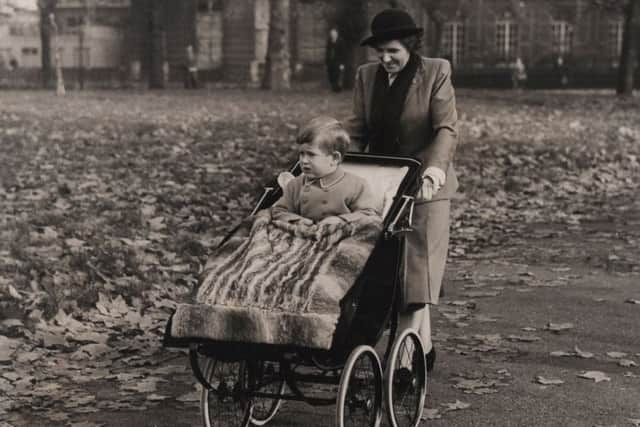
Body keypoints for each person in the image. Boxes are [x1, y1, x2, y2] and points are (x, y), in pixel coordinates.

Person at [346, 8, 459, 372]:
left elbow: (445, 128)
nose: (386, 59)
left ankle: (405, 365)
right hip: (383, 185)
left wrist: (435, 171)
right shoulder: (367, 77)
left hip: (426, 186)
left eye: (393, 50)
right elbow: (357, 129)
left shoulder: (436, 72)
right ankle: (422, 348)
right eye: (380, 52)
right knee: (388, 271)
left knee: (417, 271)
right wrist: (333, 161)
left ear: (410, 46)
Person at [272, 116, 380, 225]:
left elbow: (367, 214)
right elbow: (279, 210)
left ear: (334, 158)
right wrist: (297, 220)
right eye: (301, 154)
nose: (304, 160)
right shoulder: (295, 185)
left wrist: (341, 220)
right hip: (302, 234)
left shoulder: (356, 185)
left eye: (311, 154)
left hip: (340, 237)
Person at [325, 27, 347, 92]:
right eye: (332, 34)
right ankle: (333, 87)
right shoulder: (329, 42)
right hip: (330, 61)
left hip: (338, 61)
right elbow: (327, 52)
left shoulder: (341, 41)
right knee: (330, 74)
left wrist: (342, 64)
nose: (333, 35)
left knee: (337, 75)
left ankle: (337, 89)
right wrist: (326, 62)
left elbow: (343, 53)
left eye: (334, 34)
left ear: (337, 34)